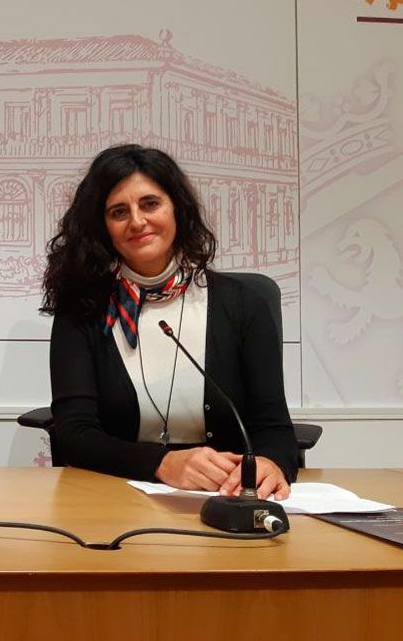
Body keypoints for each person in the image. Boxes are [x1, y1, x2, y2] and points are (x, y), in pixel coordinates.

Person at [41, 144, 298, 500]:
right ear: (103, 228)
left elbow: (274, 428)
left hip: (226, 497)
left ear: (177, 208)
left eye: (150, 204)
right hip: (116, 494)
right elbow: (74, 434)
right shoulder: (83, 309)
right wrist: (161, 464)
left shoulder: (244, 303)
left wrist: (271, 464)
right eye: (119, 211)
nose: (137, 221)